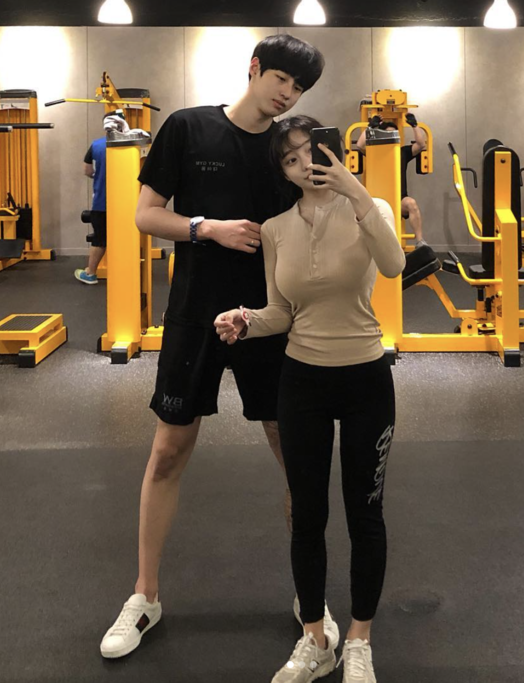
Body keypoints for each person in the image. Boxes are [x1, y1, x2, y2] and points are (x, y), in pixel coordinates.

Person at [99, 35, 331, 660]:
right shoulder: (187, 128)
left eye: (299, 88)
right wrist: (208, 229)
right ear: (255, 69)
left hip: (271, 320)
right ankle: (145, 595)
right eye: (281, 79)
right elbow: (146, 215)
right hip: (196, 315)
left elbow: (320, 218)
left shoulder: (290, 150)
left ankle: (311, 599)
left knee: (296, 459)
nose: (288, 94)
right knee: (168, 452)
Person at [214, 115, 406, 683]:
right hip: (302, 382)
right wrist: (246, 320)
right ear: (284, 171)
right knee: (307, 515)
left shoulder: (372, 209)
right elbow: (281, 311)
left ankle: (360, 640)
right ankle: (315, 638)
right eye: (290, 159)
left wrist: (356, 190)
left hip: (366, 377)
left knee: (365, 513)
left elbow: (394, 266)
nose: (305, 166)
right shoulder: (276, 229)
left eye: (311, 153)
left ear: (332, 152)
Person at [357, 112, 428, 247]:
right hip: (377, 200)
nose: (391, 137)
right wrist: (370, 127)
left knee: (411, 203)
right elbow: (360, 145)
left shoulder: (402, 152)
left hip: (399, 200)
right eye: (388, 134)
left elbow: (420, 145)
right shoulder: (374, 152)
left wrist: (414, 125)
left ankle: (420, 242)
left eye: (394, 134)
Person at [75, 122, 107, 284]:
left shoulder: (96, 145)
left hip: (102, 203)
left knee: (100, 239)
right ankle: (128, 273)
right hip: (127, 203)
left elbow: (87, 170)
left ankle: (90, 273)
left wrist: (99, 176)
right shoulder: (132, 145)